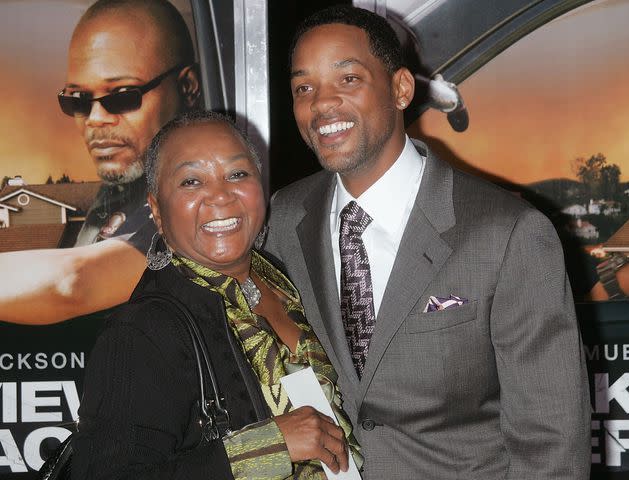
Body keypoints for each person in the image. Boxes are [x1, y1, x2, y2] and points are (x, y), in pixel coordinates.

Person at [265, 6, 591, 479]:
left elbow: (552, 442)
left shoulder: (508, 233)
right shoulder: (282, 219)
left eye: (348, 79)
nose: (322, 104)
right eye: (303, 88)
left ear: (400, 89)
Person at [72, 111, 362, 479]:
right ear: (157, 211)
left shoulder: (292, 282)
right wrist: (269, 446)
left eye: (237, 174)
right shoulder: (142, 331)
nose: (221, 196)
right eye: (191, 181)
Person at [0, 0, 199, 324]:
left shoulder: (200, 191)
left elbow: (73, 284)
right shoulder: (124, 189)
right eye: (77, 100)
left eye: (122, 95)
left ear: (188, 86)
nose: (95, 119)